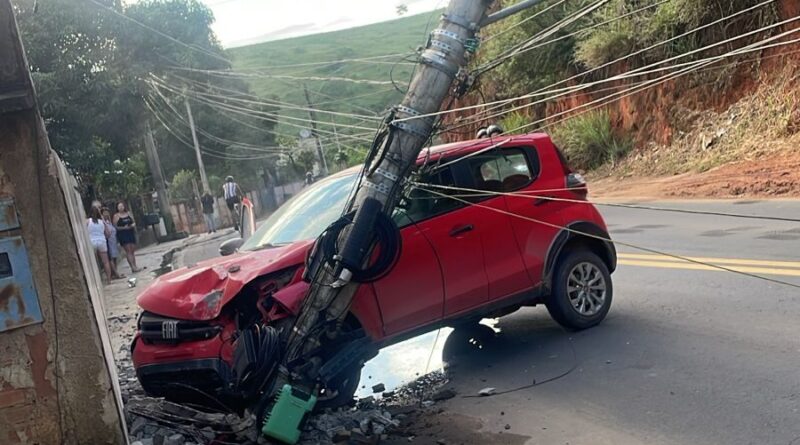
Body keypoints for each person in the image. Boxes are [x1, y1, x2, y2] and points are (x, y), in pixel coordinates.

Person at [113, 201, 142, 273]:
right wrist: (123, 228)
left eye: (122, 206)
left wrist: (133, 225)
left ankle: (135, 265)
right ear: (117, 208)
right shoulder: (116, 216)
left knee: (132, 250)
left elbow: (133, 221)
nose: (121, 208)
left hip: (130, 233)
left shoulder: (128, 213)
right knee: (128, 250)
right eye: (119, 206)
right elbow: (115, 227)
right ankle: (132, 266)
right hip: (123, 234)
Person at [87, 206, 113, 282]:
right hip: (102, 241)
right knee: (105, 261)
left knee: (94, 262)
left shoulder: (88, 221)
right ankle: (109, 279)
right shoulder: (102, 222)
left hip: (92, 242)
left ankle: (97, 279)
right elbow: (108, 233)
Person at [101, 207, 124, 279]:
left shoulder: (109, 222)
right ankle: (116, 274)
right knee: (110, 258)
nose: (106, 214)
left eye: (107, 213)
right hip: (108, 242)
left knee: (114, 258)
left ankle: (114, 273)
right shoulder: (103, 223)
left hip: (113, 242)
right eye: (104, 213)